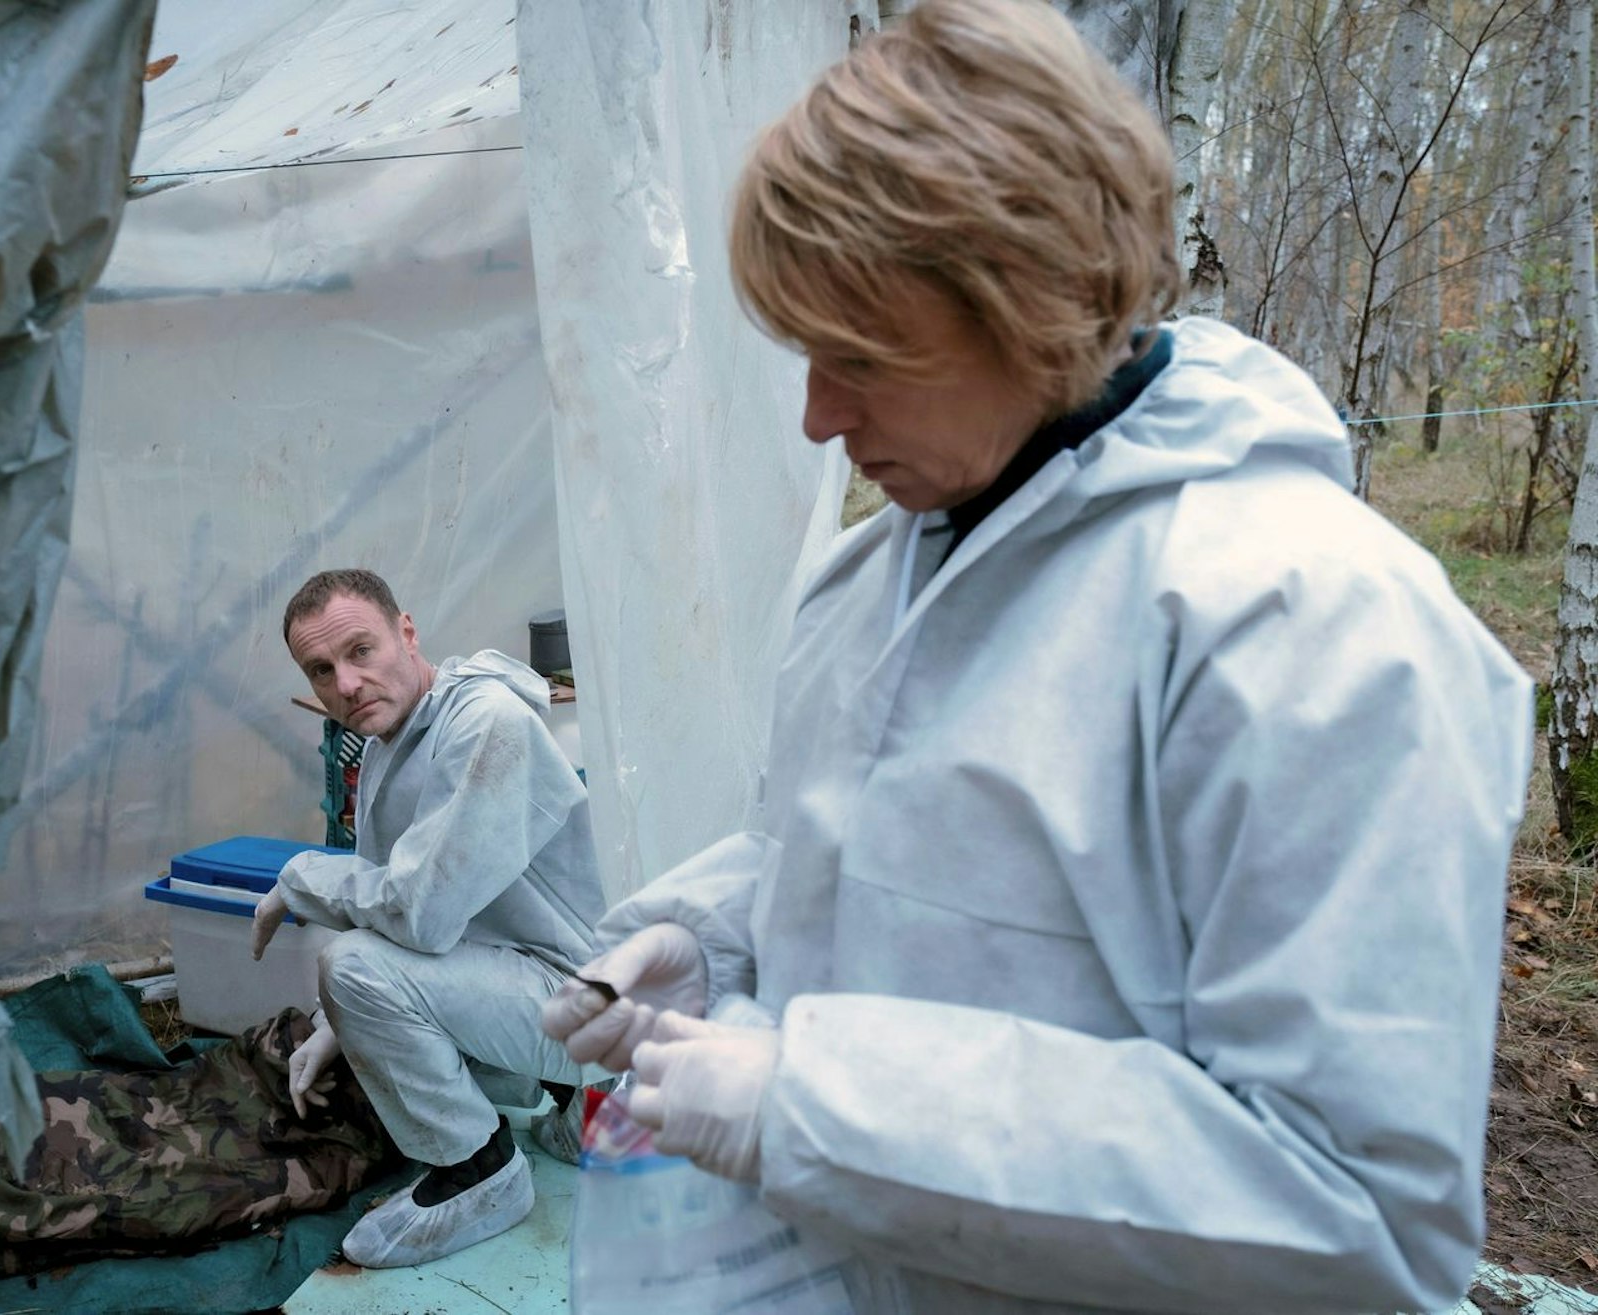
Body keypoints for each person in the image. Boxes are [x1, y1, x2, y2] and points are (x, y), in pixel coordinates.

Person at [541, 2, 1534, 1311]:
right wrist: (709, 939)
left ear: (1029, 299)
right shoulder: (880, 570)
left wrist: (810, 1100)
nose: (818, 414)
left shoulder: (1313, 629)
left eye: (862, 356)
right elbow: (866, 862)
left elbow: (1347, 1206)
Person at [252, 568, 605, 1269]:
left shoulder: (484, 723)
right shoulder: (393, 743)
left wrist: (298, 878)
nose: (345, 684)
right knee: (355, 994)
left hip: (585, 1003)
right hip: (535, 990)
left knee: (346, 966)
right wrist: (335, 1027)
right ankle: (570, 1103)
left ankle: (481, 1172)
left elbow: (418, 915)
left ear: (406, 632)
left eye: (361, 650)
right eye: (321, 669)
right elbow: (395, 904)